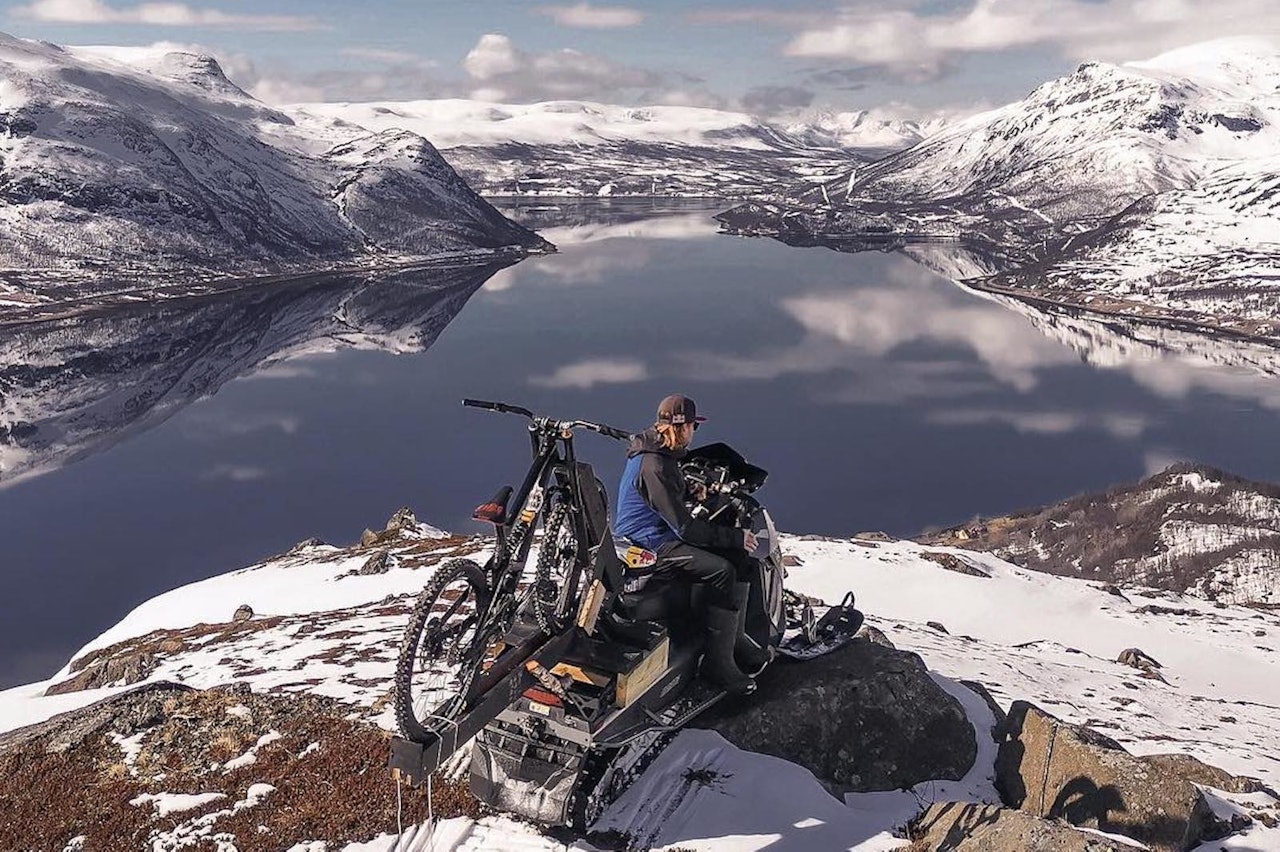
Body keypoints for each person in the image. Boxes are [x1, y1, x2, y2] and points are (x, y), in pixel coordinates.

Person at [613, 393, 771, 695]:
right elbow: (685, 529)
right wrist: (736, 536)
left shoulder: (660, 452)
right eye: (693, 426)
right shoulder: (653, 465)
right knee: (722, 570)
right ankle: (717, 665)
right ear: (681, 426)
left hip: (658, 534)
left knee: (742, 559)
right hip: (650, 546)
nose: (695, 432)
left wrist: (691, 489)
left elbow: (667, 496)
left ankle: (734, 639)